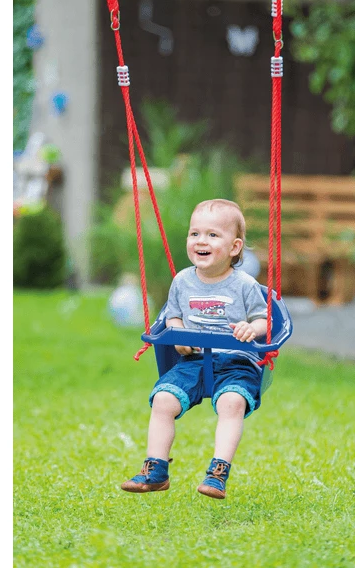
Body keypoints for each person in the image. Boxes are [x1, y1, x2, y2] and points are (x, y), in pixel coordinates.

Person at [121, 199, 268, 500]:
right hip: (193, 360)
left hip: (236, 362)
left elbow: (265, 320)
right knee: (162, 400)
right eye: (195, 233)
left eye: (213, 235)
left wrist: (251, 329)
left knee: (232, 403)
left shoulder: (244, 284)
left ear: (235, 247)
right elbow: (172, 316)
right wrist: (178, 335)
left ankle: (218, 473)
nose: (201, 240)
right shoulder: (182, 281)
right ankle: (155, 470)